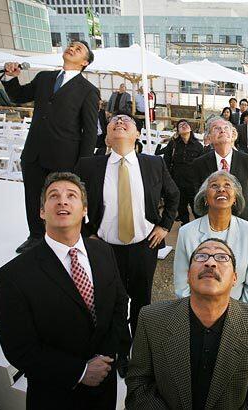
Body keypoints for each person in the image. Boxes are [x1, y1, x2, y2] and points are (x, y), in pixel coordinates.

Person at [0, 172, 128, 409]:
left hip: (105, 384)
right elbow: (19, 348)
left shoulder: (103, 252)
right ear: (42, 211)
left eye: (71, 196)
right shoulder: (12, 277)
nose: (62, 201)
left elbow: (119, 302)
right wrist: (80, 371)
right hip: (55, 393)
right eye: (53, 196)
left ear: (84, 210)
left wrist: (106, 356)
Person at [74, 112, 180, 375]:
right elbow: (76, 200)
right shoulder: (89, 166)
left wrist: (164, 225)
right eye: (114, 122)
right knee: (113, 303)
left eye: (127, 122)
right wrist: (88, 232)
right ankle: (120, 353)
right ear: (107, 137)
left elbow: (174, 195)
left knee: (142, 301)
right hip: (106, 249)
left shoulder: (154, 163)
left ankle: (142, 351)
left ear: (137, 135)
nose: (120, 122)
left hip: (144, 246)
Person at [126, 238, 248, 409]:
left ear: (235, 278)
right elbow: (138, 385)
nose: (210, 263)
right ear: (188, 276)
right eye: (201, 256)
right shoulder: (152, 318)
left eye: (222, 257)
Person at [2, 41, 99, 253]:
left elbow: (90, 132)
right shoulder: (44, 78)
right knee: (33, 197)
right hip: (34, 153)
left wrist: (82, 165)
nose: (72, 48)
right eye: (71, 45)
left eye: (79, 49)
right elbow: (18, 96)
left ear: (85, 62)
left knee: (64, 202)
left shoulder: (89, 91)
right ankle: (36, 237)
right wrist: (10, 77)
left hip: (65, 158)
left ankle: (70, 240)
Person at [174, 171, 248, 303]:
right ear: (205, 198)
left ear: (235, 198)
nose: (221, 189)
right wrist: (196, 312)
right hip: (197, 310)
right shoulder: (186, 232)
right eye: (214, 186)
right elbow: (181, 284)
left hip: (236, 310)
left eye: (227, 185)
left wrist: (239, 313)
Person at [192, 116, 248, 222]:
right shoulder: (199, 164)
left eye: (226, 128)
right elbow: (197, 196)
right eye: (216, 128)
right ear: (209, 138)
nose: (222, 130)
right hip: (211, 221)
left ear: (232, 135)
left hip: (241, 221)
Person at [162, 119, 204, 224]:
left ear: (190, 129)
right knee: (181, 207)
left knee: (197, 208)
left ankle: (201, 227)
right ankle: (185, 225)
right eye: (180, 125)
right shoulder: (173, 145)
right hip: (177, 182)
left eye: (186, 124)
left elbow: (202, 165)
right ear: (177, 131)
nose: (184, 125)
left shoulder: (198, 146)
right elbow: (166, 162)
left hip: (193, 183)